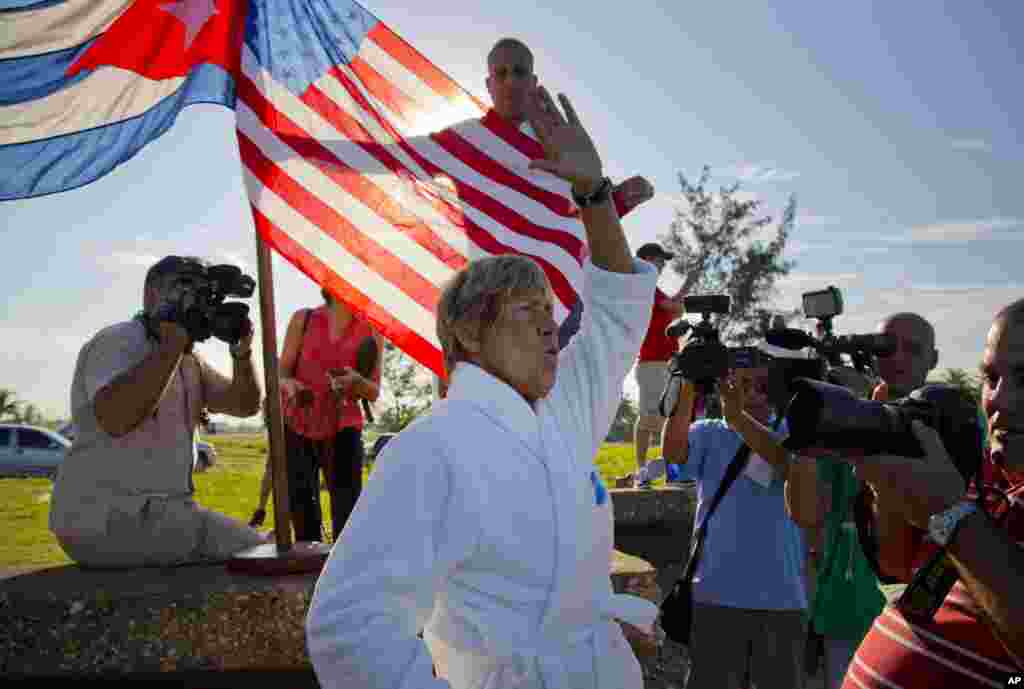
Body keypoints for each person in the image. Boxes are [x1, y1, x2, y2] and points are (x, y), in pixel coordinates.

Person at [306, 85, 659, 689]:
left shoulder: (563, 408)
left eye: (550, 310)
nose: (551, 326)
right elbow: (350, 625)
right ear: (468, 332)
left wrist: (594, 195)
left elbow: (616, 310)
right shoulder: (433, 447)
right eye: (527, 310)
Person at [839, 299, 1024, 688]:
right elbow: (899, 571)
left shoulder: (965, 499)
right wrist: (887, 487)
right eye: (991, 378)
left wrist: (952, 512)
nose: (999, 400)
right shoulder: (987, 482)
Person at [49, 256, 267, 568]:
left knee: (261, 549)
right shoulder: (118, 341)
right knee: (258, 554)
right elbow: (116, 417)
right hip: (106, 518)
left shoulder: (188, 359)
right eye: (188, 292)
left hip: (160, 517)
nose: (200, 307)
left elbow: (244, 404)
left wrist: (241, 352)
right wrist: (172, 344)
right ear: (152, 296)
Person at [784, 312, 940, 688]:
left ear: (933, 360)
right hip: (844, 613)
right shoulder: (851, 419)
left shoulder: (953, 417)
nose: (897, 358)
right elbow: (806, 513)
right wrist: (811, 426)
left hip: (924, 624)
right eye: (886, 348)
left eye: (912, 350)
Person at [660, 353, 808, 689]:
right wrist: (688, 385)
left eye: (758, 384)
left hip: (780, 597)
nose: (751, 392)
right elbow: (672, 455)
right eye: (740, 384)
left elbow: (787, 465)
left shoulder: (790, 430)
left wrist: (738, 418)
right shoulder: (709, 432)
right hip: (715, 594)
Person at [278, 287, 382, 542]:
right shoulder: (303, 319)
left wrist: (356, 382)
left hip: (344, 426)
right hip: (298, 423)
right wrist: (293, 387)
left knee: (348, 520)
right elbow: (281, 375)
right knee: (302, 514)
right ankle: (307, 577)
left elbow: (373, 391)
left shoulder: (372, 329)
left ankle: (341, 575)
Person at [632, 242, 684, 482]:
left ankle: (669, 470)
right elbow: (674, 307)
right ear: (648, 259)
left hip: (665, 362)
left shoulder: (653, 288)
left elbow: (676, 311)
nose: (663, 265)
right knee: (649, 417)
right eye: (660, 260)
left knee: (667, 418)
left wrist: (677, 305)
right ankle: (642, 470)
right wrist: (689, 282)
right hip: (652, 362)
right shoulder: (642, 284)